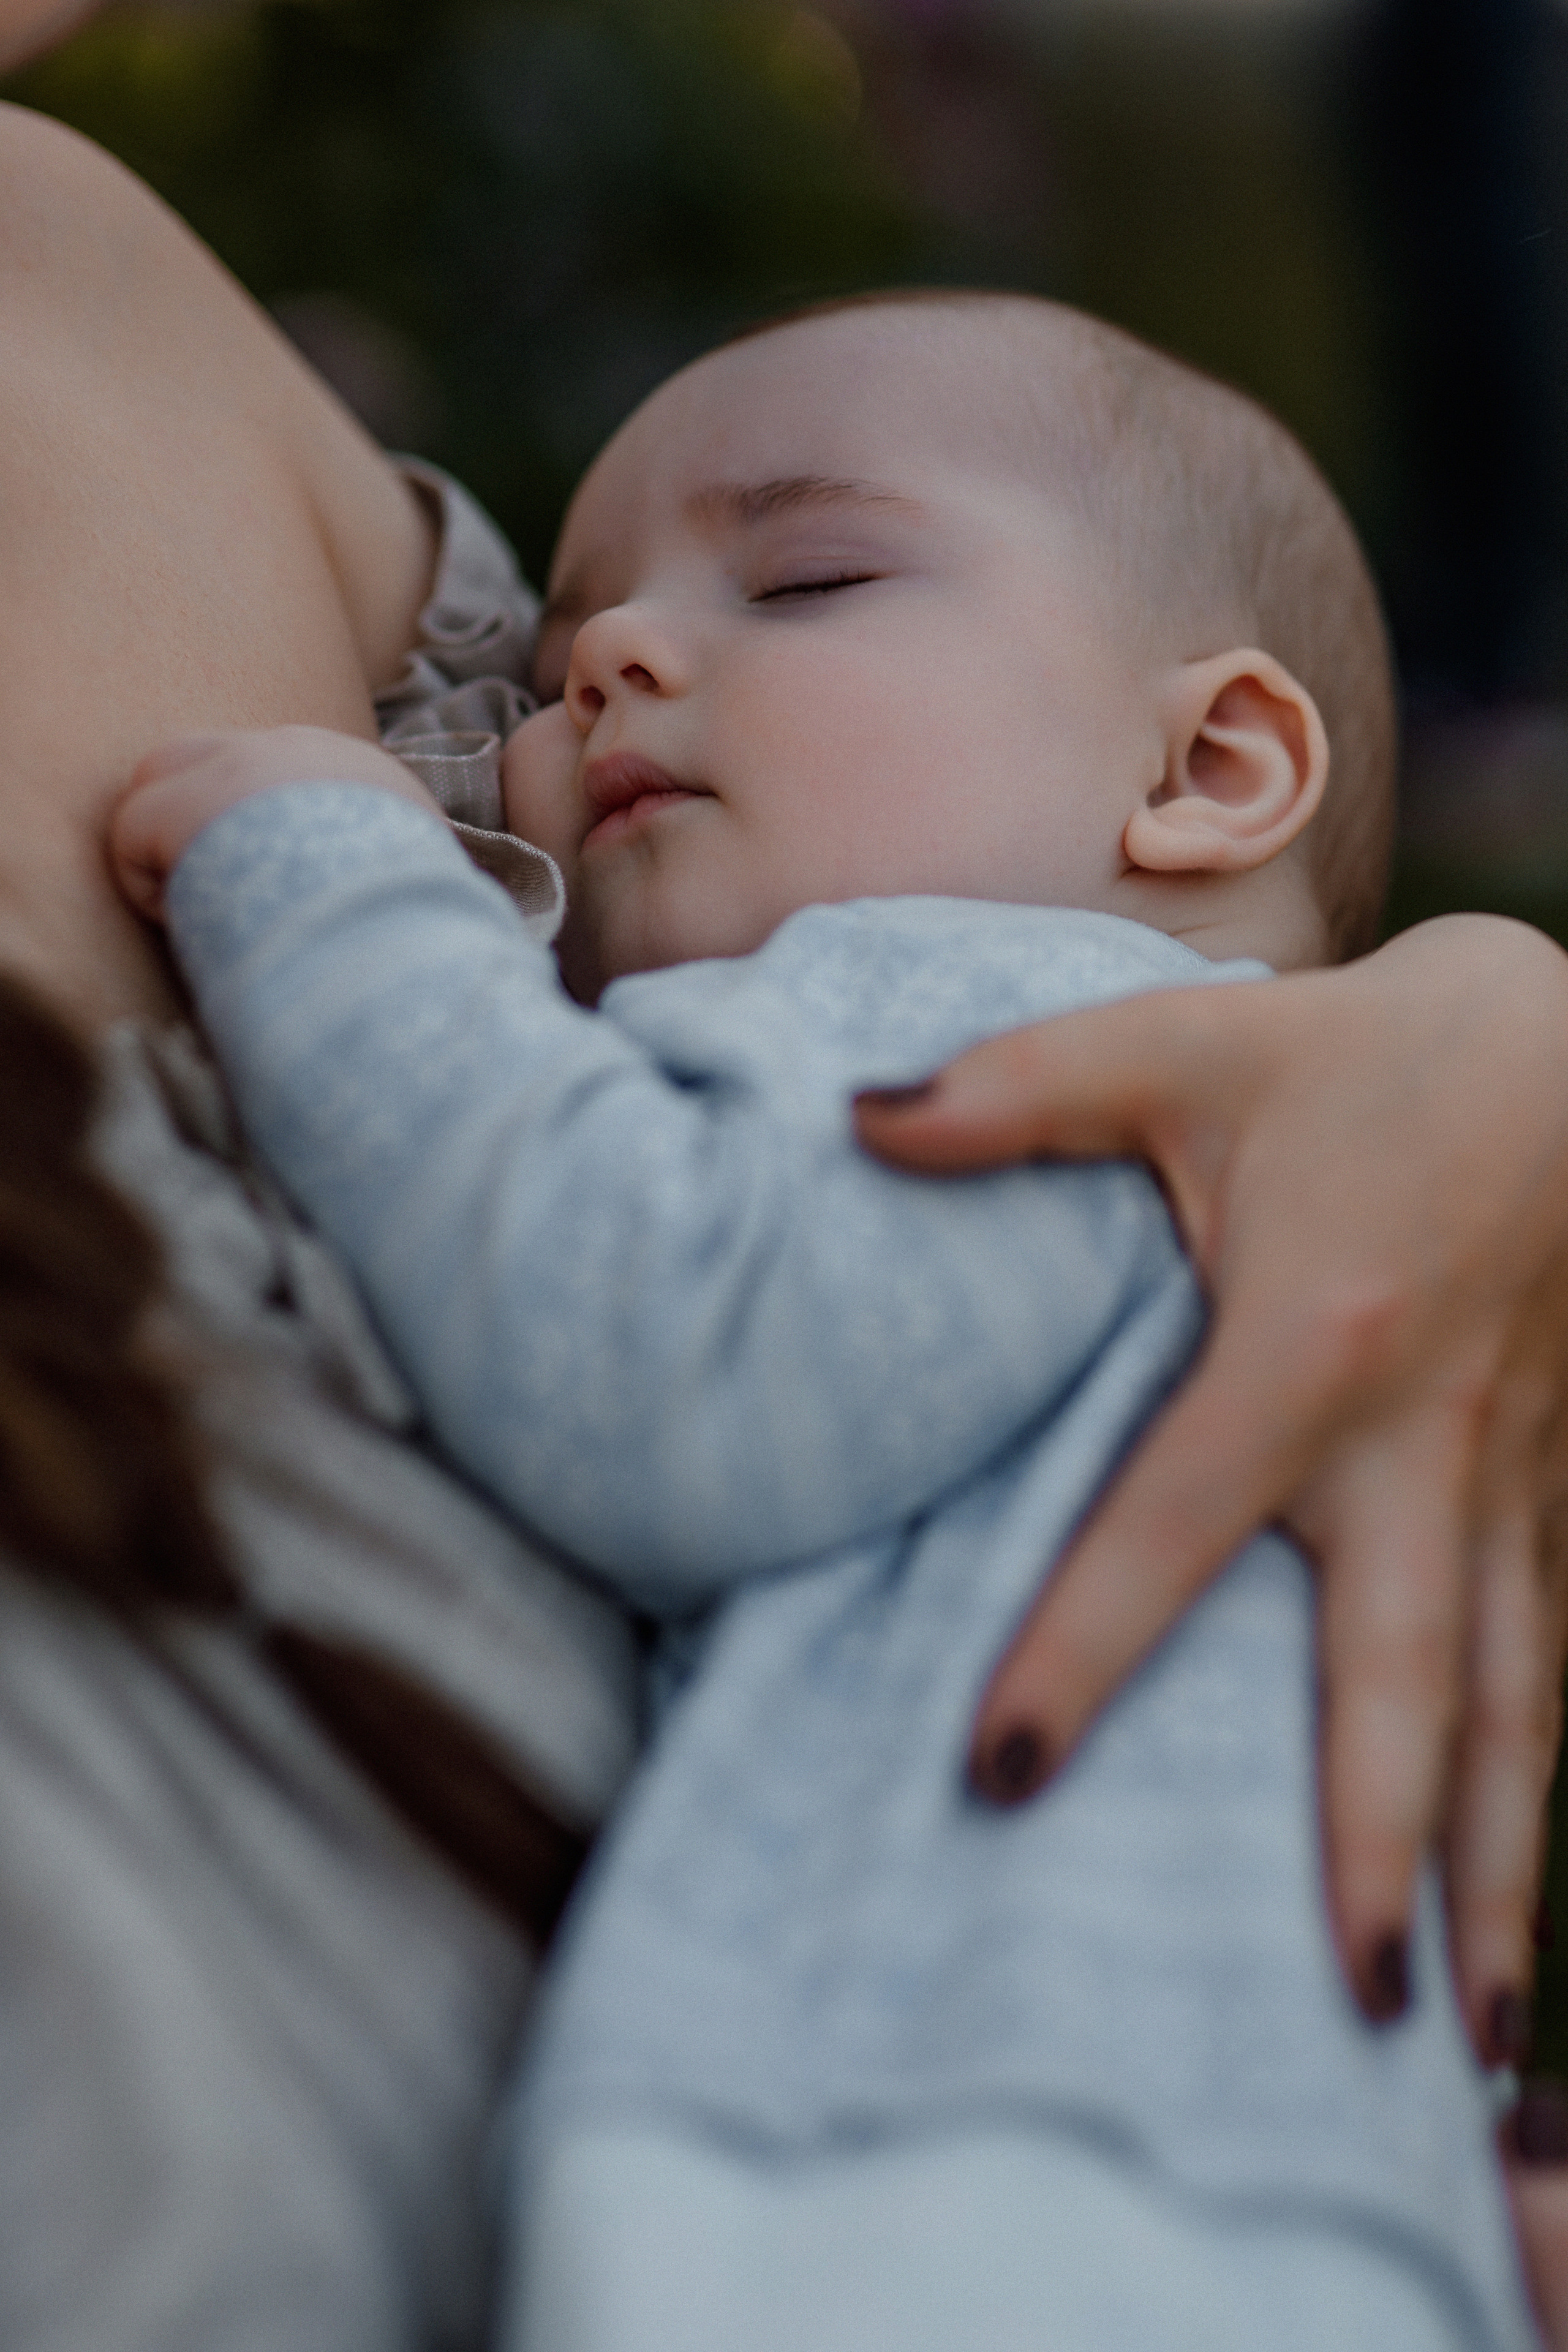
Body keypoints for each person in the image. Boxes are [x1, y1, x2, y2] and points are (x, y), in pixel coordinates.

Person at [4, 48, 1568, 2348]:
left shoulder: (1016, 1031)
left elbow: (669, 1354)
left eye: (813, 576)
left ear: (1209, 764)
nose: (603, 661)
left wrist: (321, 869)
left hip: (968, 2174)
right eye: (562, 657)